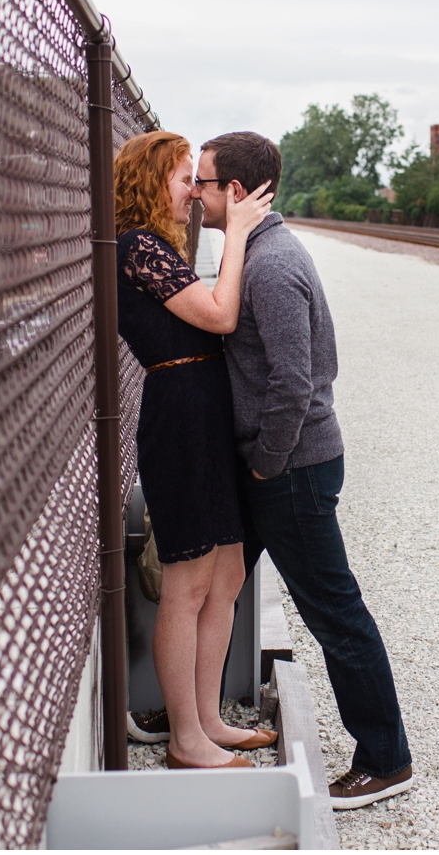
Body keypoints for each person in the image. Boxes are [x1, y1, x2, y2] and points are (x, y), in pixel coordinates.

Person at [194, 131, 414, 810]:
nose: (193, 192)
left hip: (290, 470)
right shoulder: (251, 251)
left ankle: (387, 759)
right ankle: (198, 725)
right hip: (276, 466)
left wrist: (263, 464)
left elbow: (295, 381)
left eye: (202, 182)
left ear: (233, 191)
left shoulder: (271, 263)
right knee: (215, 585)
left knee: (335, 612)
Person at [113, 129, 276, 769]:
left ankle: (207, 720)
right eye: (186, 179)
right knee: (188, 581)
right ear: (156, 182)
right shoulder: (136, 246)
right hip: (180, 417)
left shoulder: (160, 245)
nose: (196, 194)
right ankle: (185, 739)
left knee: (229, 574)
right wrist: (236, 234)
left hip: (206, 412)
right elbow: (219, 314)